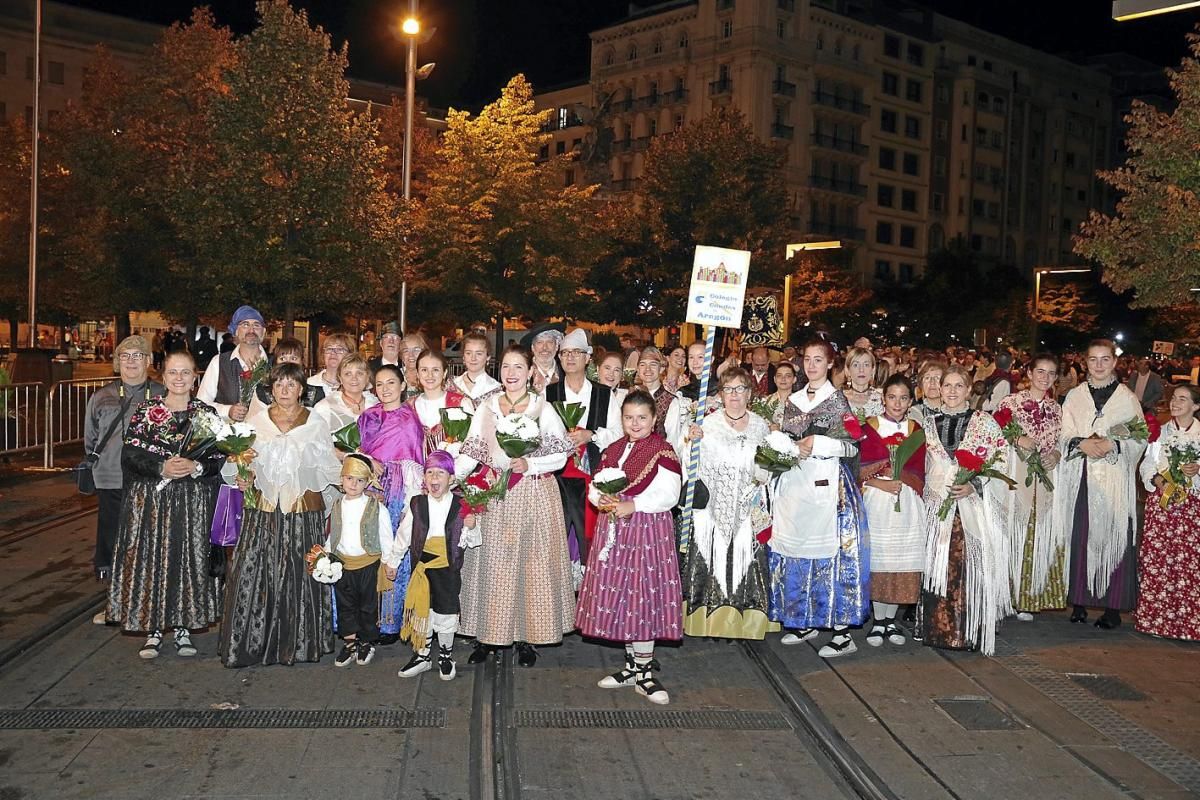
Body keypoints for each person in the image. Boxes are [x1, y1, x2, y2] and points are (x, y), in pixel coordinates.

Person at [457, 344, 576, 667]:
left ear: (529, 372)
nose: (511, 373)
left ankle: (526, 637)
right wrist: (449, 474)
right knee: (493, 564)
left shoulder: (542, 408)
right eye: (506, 367)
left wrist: (531, 464)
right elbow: (473, 450)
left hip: (534, 494)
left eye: (518, 367)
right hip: (496, 493)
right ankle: (487, 636)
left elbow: (562, 454)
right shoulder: (487, 408)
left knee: (530, 564)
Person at [219, 362, 342, 667]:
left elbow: (328, 466)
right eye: (279, 384)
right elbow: (241, 463)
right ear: (270, 389)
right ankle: (254, 641)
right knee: (257, 570)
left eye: (291, 384)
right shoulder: (256, 422)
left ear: (302, 389)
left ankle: (299, 642)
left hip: (302, 509)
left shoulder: (315, 422)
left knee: (300, 571)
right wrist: (243, 475)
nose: (285, 390)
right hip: (264, 511)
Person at [106, 351, 221, 658]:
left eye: (185, 373)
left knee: (188, 561)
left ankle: (184, 627)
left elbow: (218, 460)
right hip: (153, 504)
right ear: (164, 376)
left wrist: (196, 467)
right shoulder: (146, 411)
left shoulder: (205, 414)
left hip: (192, 503)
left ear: (195, 377)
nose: (179, 378)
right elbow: (130, 456)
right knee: (155, 561)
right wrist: (161, 468)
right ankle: (154, 629)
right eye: (173, 372)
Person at [577, 390, 683, 705]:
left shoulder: (662, 450)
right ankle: (631, 667)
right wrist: (603, 500)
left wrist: (633, 505)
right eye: (628, 417)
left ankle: (645, 672)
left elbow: (670, 494)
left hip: (647, 531)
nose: (634, 423)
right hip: (614, 530)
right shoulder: (614, 449)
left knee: (643, 594)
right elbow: (595, 486)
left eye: (641, 418)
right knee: (622, 595)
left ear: (653, 420)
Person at [768, 340, 870, 657]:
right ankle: (806, 618)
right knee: (797, 551)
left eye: (818, 360)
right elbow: (786, 440)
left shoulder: (839, 403)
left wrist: (819, 443)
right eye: (807, 359)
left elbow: (853, 447)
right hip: (796, 487)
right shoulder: (794, 401)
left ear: (829, 364)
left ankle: (841, 632)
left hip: (829, 488)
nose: (812, 365)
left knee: (832, 557)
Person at [1051, 340, 1148, 630]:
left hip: (1112, 478)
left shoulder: (1127, 398)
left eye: (1105, 359)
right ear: (1086, 362)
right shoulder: (1075, 396)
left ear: (1114, 363)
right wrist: (1081, 443)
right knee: (1080, 535)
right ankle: (1078, 602)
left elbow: (1139, 435)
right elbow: (1063, 431)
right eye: (1093, 359)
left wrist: (1112, 443)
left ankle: (1112, 608)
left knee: (1114, 536)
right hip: (1081, 477)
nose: (1099, 365)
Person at [918, 365, 1011, 655]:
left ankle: (969, 632)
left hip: (972, 507)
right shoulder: (926, 423)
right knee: (938, 567)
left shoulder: (984, 422)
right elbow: (920, 465)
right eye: (948, 385)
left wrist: (975, 485)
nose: (953, 391)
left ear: (969, 390)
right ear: (938, 389)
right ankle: (937, 630)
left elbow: (1001, 459)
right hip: (937, 507)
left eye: (960, 386)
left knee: (969, 568)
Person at [680, 368, 775, 639]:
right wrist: (690, 441)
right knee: (715, 559)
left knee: (745, 560)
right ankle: (710, 621)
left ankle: (744, 622)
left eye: (740, 388)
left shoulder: (760, 426)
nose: (734, 395)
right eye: (729, 389)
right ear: (720, 394)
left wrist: (760, 483)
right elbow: (691, 465)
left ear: (749, 393)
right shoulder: (707, 424)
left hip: (748, 505)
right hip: (714, 506)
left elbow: (767, 467)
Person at [84, 335, 164, 602]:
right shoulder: (101, 397)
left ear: (149, 361)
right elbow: (91, 439)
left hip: (152, 481)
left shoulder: (162, 394)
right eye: (126, 356)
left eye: (138, 355)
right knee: (112, 539)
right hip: (111, 479)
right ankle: (116, 598)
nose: (131, 361)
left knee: (149, 539)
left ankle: (147, 596)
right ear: (117, 362)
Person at [394, 450, 480, 680]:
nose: (434, 478)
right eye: (429, 472)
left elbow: (474, 541)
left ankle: (445, 655)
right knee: (422, 612)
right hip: (422, 569)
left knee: (446, 612)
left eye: (440, 473)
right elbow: (404, 535)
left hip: (447, 570)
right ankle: (422, 655)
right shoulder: (417, 503)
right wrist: (391, 560)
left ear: (451, 479)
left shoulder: (461, 505)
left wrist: (471, 526)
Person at [356, 364, 426, 644]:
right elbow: (359, 451)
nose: (385, 389)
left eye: (391, 383)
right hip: (369, 486)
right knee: (368, 549)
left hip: (398, 489)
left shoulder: (409, 418)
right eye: (380, 384)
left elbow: (413, 459)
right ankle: (366, 617)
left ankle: (392, 621)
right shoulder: (368, 417)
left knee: (396, 552)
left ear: (401, 386)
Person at [858, 375, 926, 648]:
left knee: (900, 560)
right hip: (878, 499)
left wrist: (904, 481)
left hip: (907, 501)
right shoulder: (870, 427)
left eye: (903, 397)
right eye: (892, 397)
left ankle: (890, 620)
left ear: (911, 401)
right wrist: (878, 483)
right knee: (880, 559)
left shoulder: (916, 428)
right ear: (883, 398)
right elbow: (858, 467)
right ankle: (877, 620)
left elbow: (920, 467)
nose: (897, 403)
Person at [546, 329, 621, 571]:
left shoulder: (604, 394)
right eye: (565, 353)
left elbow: (619, 434)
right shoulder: (548, 393)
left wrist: (592, 435)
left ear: (588, 358)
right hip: (556, 478)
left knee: (590, 539)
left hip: (593, 477)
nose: (570, 358)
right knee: (554, 540)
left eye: (576, 353)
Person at [999, 355, 1066, 621]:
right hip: (1016, 477)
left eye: (1051, 373)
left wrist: (1057, 454)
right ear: (1029, 372)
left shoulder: (1058, 409)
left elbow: (1063, 439)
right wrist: (1017, 437)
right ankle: (1007, 596)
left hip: (1045, 481)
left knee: (1038, 535)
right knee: (1013, 532)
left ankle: (1028, 598)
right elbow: (996, 433)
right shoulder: (1010, 403)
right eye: (1040, 371)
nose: (1045, 377)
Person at [1136, 385, 1200, 641]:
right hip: (1162, 507)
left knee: (1188, 563)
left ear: (1195, 406)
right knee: (1158, 561)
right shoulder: (1160, 433)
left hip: (1191, 508)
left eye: (1183, 399)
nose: (1175, 403)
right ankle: (1155, 620)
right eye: (1174, 398)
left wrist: (1196, 471)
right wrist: (1157, 480)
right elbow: (1147, 464)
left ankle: (1188, 622)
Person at [326, 454, 395, 668]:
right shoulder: (337, 505)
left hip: (368, 564)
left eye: (359, 480)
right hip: (343, 565)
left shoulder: (377, 508)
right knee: (346, 604)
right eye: (349, 478)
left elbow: (386, 536)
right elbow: (333, 533)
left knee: (367, 605)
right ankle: (349, 643)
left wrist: (388, 562)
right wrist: (326, 556)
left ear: (367, 483)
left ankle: (366, 642)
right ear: (342, 479)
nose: (353, 484)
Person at [197, 305, 270, 423]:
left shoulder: (276, 365)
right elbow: (201, 404)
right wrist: (227, 411)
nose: (251, 330)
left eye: (256, 325)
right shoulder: (219, 362)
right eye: (245, 324)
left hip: (268, 438)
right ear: (235, 330)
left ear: (264, 332)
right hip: (230, 438)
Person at [409, 349, 474, 457]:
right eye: (424, 370)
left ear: (444, 373)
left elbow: (471, 446)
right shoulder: (409, 406)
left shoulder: (461, 403)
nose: (430, 375)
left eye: (435, 370)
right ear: (417, 374)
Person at [313, 354, 378, 434]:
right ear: (340, 378)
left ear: (367, 377)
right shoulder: (325, 408)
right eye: (348, 374)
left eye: (359, 373)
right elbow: (316, 442)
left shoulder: (376, 405)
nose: (354, 378)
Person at [635, 346, 684, 440]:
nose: (647, 369)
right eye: (642, 365)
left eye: (653, 364)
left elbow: (673, 439)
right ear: (638, 369)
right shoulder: (630, 396)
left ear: (661, 369)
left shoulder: (670, 401)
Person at [257, 337, 322, 407]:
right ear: (275, 362)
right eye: (283, 359)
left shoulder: (316, 394)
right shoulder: (263, 393)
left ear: (302, 362)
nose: (288, 363)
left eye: (293, 358)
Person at [451, 331, 502, 402]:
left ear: (488, 357)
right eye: (468, 353)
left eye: (479, 354)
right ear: (463, 356)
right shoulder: (452, 385)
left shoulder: (495, 388)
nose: (473, 358)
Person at [307, 333, 354, 407]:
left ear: (350, 355)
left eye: (339, 349)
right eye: (329, 349)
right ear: (323, 354)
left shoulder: (356, 385)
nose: (333, 353)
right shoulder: (310, 384)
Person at [522, 322, 566, 393]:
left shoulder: (566, 374)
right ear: (533, 347)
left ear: (557, 346)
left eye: (550, 342)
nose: (545, 347)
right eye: (539, 342)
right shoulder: (522, 373)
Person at [842, 346, 884, 419]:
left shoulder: (883, 399)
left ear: (872, 370)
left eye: (866, 365)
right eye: (856, 365)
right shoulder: (838, 399)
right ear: (848, 370)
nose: (861, 370)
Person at [762, 360, 797, 428]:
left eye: (788, 376)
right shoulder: (765, 401)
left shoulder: (801, 402)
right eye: (779, 375)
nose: (783, 379)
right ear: (774, 379)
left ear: (794, 379)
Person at [911, 360, 947, 426]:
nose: (932, 382)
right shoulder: (914, 412)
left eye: (937, 378)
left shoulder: (954, 410)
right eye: (927, 378)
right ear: (921, 384)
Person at [399, 332, 428, 400]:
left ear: (424, 353)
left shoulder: (430, 376)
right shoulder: (395, 376)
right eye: (406, 351)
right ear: (401, 356)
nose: (411, 355)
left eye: (416, 350)